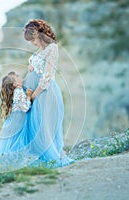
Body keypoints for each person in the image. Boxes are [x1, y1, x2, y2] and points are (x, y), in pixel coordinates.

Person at [23, 19, 75, 167]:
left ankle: (49, 158)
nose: (31, 42)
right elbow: (37, 65)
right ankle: (37, 158)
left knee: (43, 125)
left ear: (40, 34)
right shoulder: (38, 50)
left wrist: (33, 96)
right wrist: (31, 65)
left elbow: (46, 77)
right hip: (34, 92)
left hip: (43, 93)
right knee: (33, 125)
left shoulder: (52, 48)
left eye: (33, 39)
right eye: (30, 40)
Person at [0, 72, 37, 171]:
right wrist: (28, 96)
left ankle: (13, 164)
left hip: (14, 123)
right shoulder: (19, 90)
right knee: (17, 144)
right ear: (15, 84)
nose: (20, 76)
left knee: (12, 144)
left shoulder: (17, 91)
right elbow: (25, 108)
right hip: (17, 124)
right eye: (17, 76)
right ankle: (16, 164)